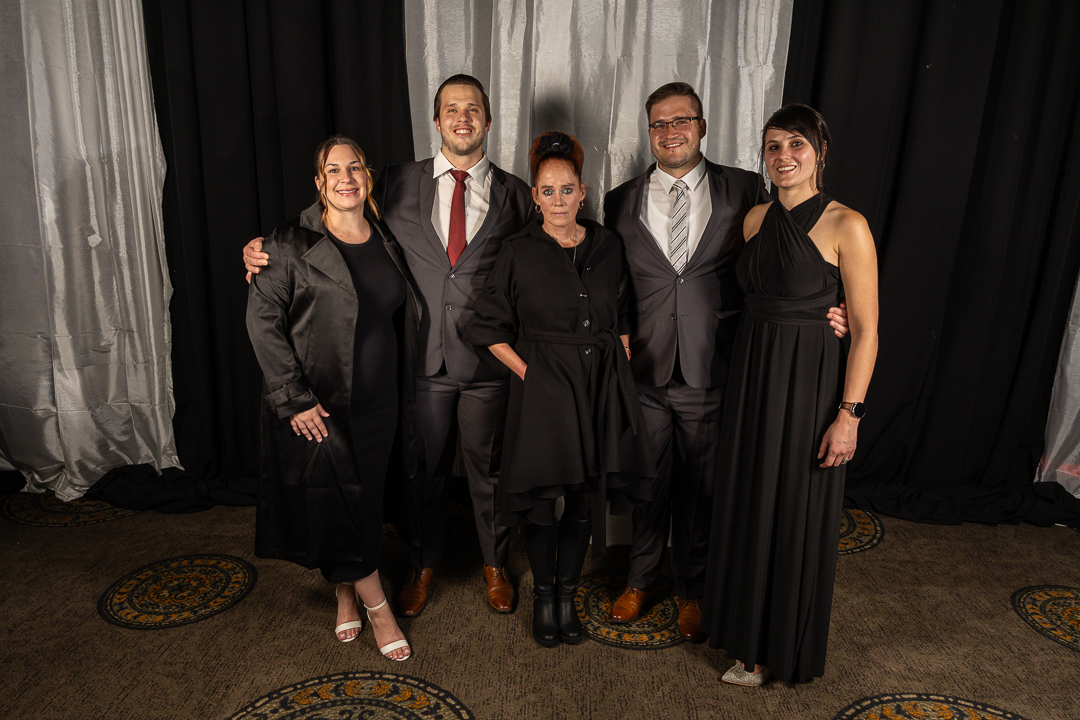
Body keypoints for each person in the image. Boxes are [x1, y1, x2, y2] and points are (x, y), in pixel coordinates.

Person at [245, 75, 533, 617]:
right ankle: (422, 564)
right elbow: (333, 212)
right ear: (436, 120)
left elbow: (536, 261)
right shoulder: (399, 180)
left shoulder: (517, 194)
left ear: (489, 120)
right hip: (418, 363)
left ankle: (495, 563)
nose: (463, 118)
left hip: (485, 363)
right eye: (452, 109)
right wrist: (268, 248)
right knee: (420, 472)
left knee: (490, 470)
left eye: (473, 109)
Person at [603, 83, 850, 641]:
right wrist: (616, 329)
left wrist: (835, 308)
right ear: (649, 132)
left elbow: (787, 258)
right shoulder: (619, 200)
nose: (671, 132)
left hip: (716, 365)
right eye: (659, 124)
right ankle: (639, 579)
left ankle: (693, 588)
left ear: (703, 126)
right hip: (644, 369)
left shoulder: (745, 189)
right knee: (646, 482)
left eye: (682, 121)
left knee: (703, 487)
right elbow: (613, 279)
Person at [701, 104, 878, 685]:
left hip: (809, 384)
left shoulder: (848, 224)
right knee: (749, 501)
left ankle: (783, 645)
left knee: (794, 506)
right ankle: (746, 641)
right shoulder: (755, 219)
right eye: (774, 146)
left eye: (796, 144)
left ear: (820, 152)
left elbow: (867, 331)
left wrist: (849, 415)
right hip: (753, 376)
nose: (784, 156)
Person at [462, 131, 656, 647]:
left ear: (583, 192)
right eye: (547, 191)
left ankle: (568, 596)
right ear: (535, 197)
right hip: (543, 391)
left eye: (567, 190)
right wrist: (531, 375)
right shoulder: (517, 250)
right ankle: (545, 597)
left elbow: (623, 314)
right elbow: (486, 328)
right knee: (542, 501)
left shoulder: (607, 245)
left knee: (584, 498)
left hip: (598, 388)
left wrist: (618, 363)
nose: (558, 200)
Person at [246, 136, 423, 661]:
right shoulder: (288, 242)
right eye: (334, 170)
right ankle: (379, 608)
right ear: (319, 183)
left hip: (381, 401)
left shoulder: (385, 235)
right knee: (341, 502)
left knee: (364, 501)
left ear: (367, 176)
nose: (346, 178)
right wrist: (294, 398)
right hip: (322, 402)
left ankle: (345, 592)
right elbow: (261, 323)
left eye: (355, 168)